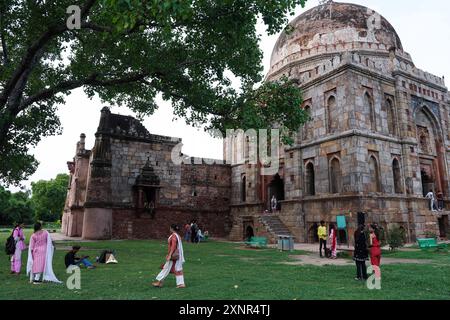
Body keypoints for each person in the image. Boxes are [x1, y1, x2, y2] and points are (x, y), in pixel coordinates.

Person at [152, 224, 186, 288]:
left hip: (173, 256)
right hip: (177, 255)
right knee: (175, 268)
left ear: (172, 228)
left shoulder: (173, 236)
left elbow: (173, 246)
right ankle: (180, 284)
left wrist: (170, 255)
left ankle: (160, 282)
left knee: (167, 268)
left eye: (170, 228)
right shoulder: (177, 235)